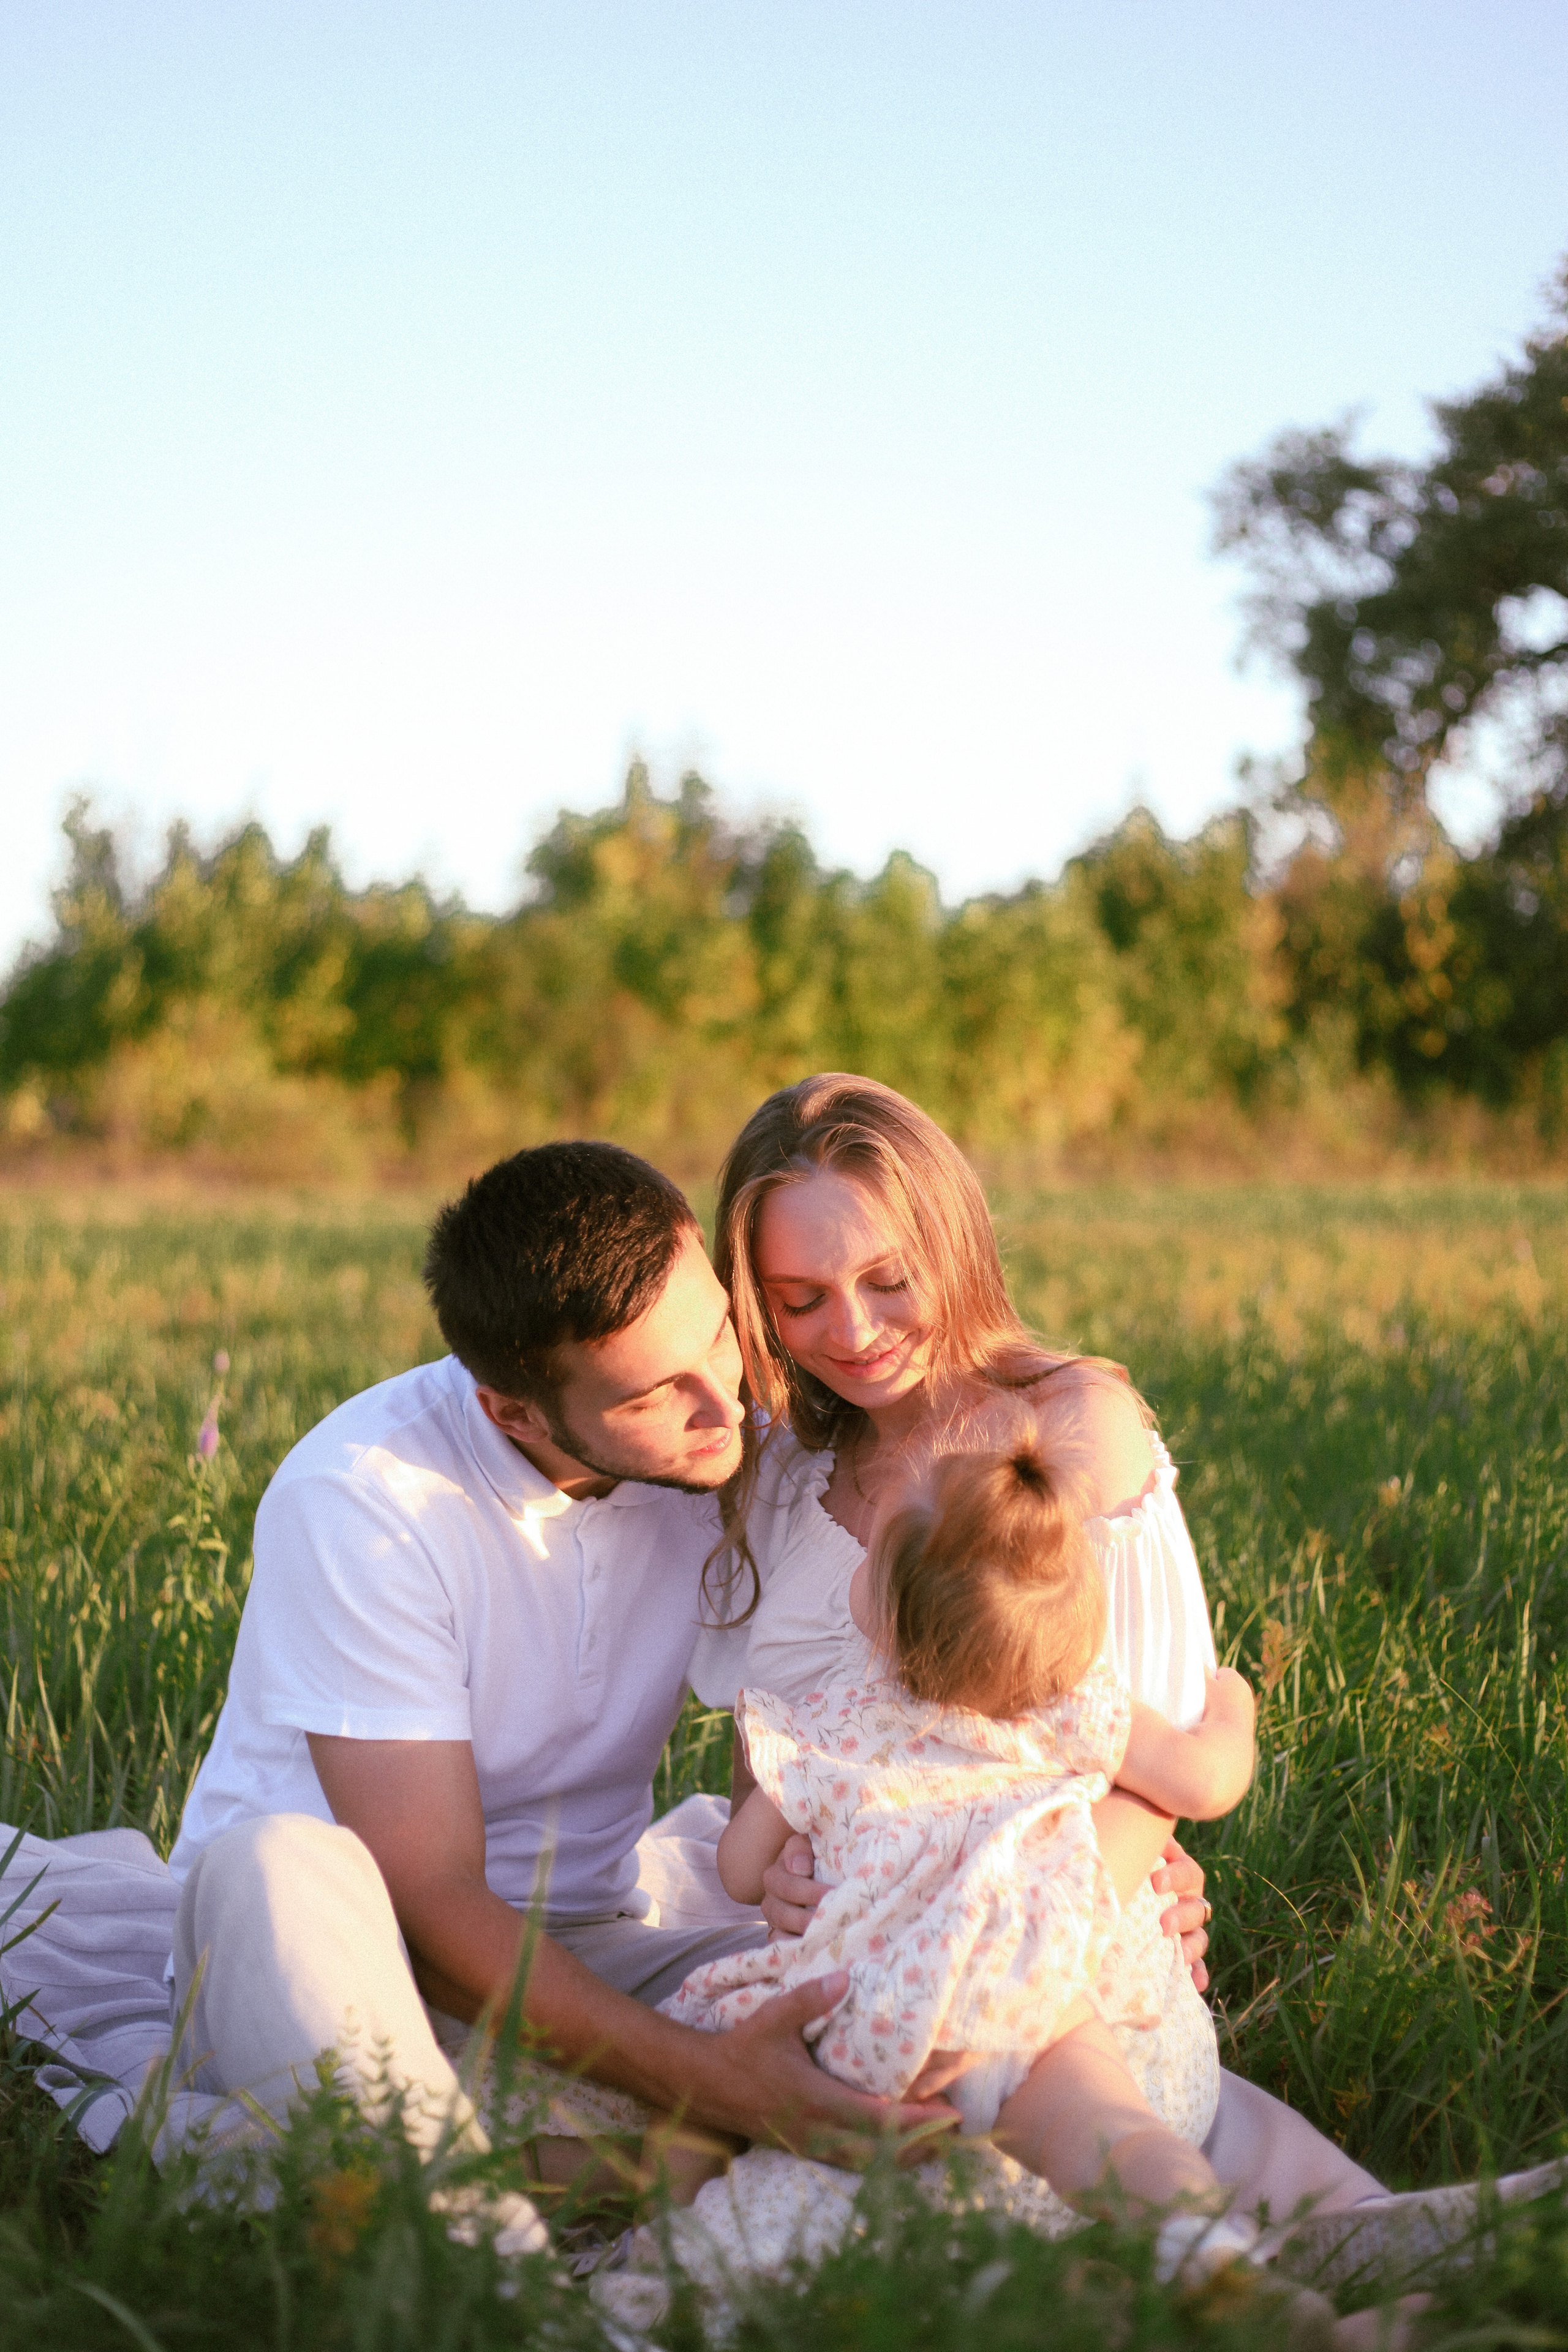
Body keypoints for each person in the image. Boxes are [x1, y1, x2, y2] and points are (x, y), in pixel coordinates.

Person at [165, 1140, 956, 2206]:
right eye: (652, 1395)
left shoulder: (743, 1453)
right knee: (271, 1863)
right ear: (516, 1414)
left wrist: (1094, 1850)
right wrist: (715, 2083)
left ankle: (459, 2165)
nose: (725, 1407)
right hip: (348, 1950)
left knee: (909, 2009)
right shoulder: (366, 1497)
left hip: (590, 1939)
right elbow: (429, 1896)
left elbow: (942, 1689)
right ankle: (507, 2218)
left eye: (718, 1333)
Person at [686, 1071, 1390, 2225]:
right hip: (842, 1962)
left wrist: (960, 1935)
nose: (851, 1334)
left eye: (887, 1280)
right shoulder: (784, 1477)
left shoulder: (1063, 1434)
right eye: (800, 1299)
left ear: (953, 1247)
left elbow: (1154, 1781)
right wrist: (786, 1881)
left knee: (966, 2191)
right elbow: (765, 1776)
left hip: (1049, 1951)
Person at [663, 1434, 1267, 2290]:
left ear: (883, 1612)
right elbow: (1206, 1781)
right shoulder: (1074, 1703)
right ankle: (1208, 2250)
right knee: (1114, 2132)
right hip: (1026, 1979)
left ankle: (650, 2221)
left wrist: (782, 1855)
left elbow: (735, 1869)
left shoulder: (833, 1721)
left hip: (868, 2011)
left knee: (707, 2107)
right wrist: (1233, 1701)